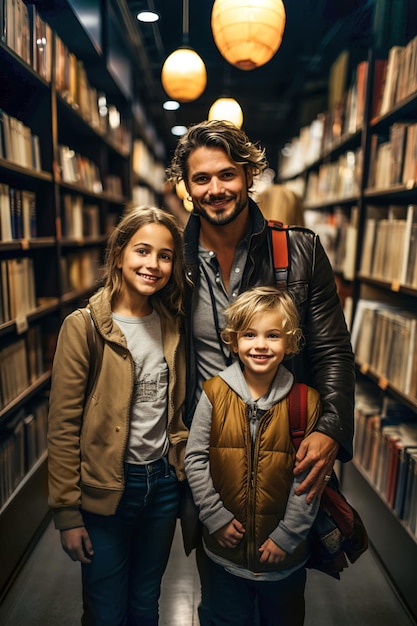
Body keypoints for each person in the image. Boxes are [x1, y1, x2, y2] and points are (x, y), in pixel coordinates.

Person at [166, 119, 355, 625]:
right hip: (209, 454)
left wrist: (332, 429)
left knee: (282, 603)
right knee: (221, 600)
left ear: (250, 174)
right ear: (185, 186)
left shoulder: (300, 251)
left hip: (285, 451)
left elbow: (333, 351)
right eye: (200, 178)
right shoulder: (173, 262)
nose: (215, 189)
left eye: (227, 174)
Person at [47, 206, 188, 626]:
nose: (153, 264)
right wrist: (67, 514)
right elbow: (63, 426)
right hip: (106, 488)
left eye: (165, 256)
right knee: (106, 609)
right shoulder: (84, 326)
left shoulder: (172, 323)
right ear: (119, 254)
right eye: (142, 251)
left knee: (146, 604)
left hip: (161, 485)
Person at [185, 286, 322, 626]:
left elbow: (311, 479)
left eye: (273, 335)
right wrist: (214, 517)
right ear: (233, 341)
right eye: (249, 334)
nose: (260, 345)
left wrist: (287, 536)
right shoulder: (214, 394)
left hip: (283, 561)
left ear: (289, 344)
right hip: (224, 555)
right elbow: (195, 459)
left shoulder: (306, 403)